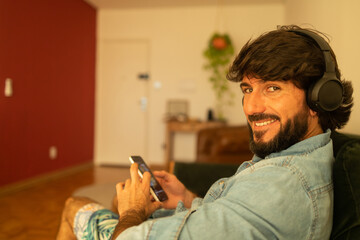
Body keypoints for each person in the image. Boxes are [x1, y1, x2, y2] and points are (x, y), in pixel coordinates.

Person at [57, 25, 353, 240]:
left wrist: (131, 213)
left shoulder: (280, 186)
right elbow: (236, 219)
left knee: (76, 205)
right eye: (248, 89)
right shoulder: (304, 154)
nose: (250, 107)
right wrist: (187, 198)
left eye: (272, 88)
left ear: (318, 100)